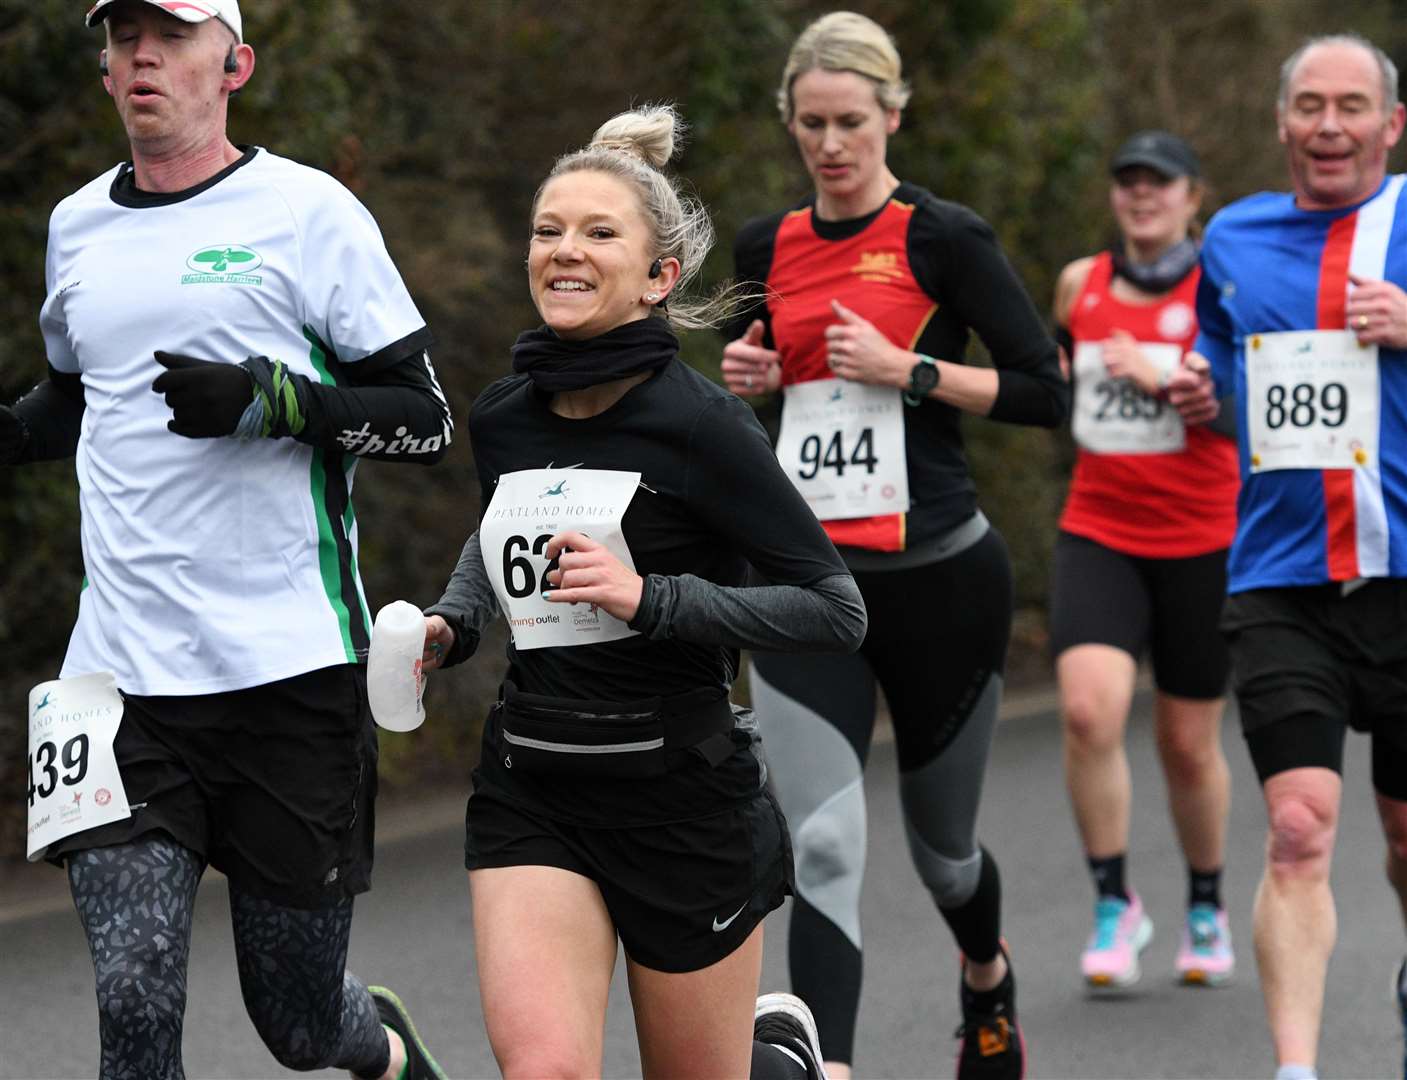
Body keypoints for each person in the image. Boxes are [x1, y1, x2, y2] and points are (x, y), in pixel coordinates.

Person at [2, 2, 451, 1077]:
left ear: (234, 63)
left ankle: (375, 1046)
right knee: (136, 996)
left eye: (169, 34)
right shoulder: (77, 227)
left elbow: (425, 415)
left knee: (295, 1023)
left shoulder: (309, 213)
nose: (141, 54)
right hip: (119, 685)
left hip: (288, 675)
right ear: (107, 72)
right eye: (121, 38)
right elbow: (78, 400)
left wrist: (277, 402)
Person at [420, 104, 865, 1080]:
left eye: (597, 232)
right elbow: (503, 528)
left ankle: (778, 1063)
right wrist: (454, 620)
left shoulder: (703, 428)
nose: (564, 251)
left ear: (660, 277)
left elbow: (834, 609)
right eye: (548, 231)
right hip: (533, 783)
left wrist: (652, 598)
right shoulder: (503, 416)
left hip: (682, 799)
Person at [719, 12, 1067, 1078]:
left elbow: (1048, 389)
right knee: (820, 845)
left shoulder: (943, 239)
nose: (832, 144)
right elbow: (756, 391)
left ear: (893, 117)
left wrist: (911, 371)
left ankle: (985, 977)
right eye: (813, 124)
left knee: (944, 857)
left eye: (852, 123)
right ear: (790, 122)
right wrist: (751, 380)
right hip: (808, 584)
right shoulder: (760, 248)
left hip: (941, 583)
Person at [1178, 31, 1407, 1080]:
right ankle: (1298, 1069)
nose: (1328, 125)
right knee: (1300, 827)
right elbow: (1230, 386)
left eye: (1350, 105)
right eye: (1309, 105)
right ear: (1281, 123)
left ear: (1390, 125)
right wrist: (1201, 393)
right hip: (1280, 576)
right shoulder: (1229, 236)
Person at [1050, 131, 1239, 991]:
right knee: (1089, 713)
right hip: (1100, 528)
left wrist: (1163, 374)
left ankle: (1206, 905)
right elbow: (1062, 381)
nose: (1141, 196)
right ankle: (1112, 902)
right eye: (1127, 182)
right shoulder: (1079, 284)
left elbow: (1250, 404)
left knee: (1185, 742)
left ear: (1192, 196)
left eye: (1158, 183)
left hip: (1205, 535)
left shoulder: (1222, 286)